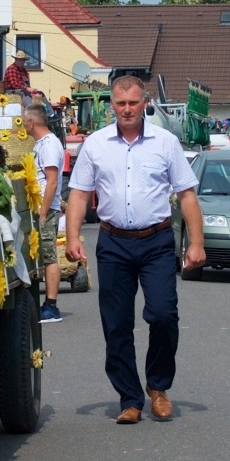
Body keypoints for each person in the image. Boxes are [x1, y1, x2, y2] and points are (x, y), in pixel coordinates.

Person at [65, 75, 203, 424]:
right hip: (113, 243)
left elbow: (187, 194)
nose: (127, 110)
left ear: (146, 104)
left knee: (163, 314)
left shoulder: (166, 143)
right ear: (111, 105)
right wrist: (73, 237)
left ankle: (158, 387)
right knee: (116, 324)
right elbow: (79, 195)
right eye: (121, 103)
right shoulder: (96, 145)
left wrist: (196, 243)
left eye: (133, 103)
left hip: (156, 241)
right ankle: (129, 398)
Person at [26, 104, 66, 322]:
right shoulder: (40, 144)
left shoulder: (49, 144)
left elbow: (51, 182)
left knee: (49, 255)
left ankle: (51, 306)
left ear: (32, 122)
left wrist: (42, 213)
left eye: (24, 121)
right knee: (42, 254)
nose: (23, 125)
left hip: (46, 208)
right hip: (41, 206)